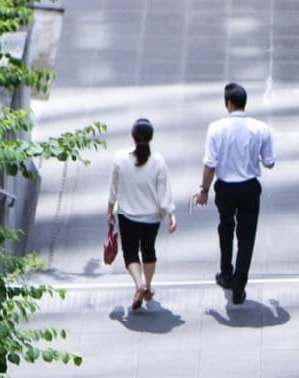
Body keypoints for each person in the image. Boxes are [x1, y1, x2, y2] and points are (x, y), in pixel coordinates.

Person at [193, 82, 275, 306]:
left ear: (227, 103)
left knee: (226, 228)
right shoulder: (260, 128)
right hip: (249, 187)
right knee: (246, 238)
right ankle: (239, 286)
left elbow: (210, 164)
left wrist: (204, 190)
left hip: (225, 188)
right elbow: (269, 163)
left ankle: (226, 273)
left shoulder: (216, 128)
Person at [107, 118, 178, 312]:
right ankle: (148, 284)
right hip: (151, 217)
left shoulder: (120, 158)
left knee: (130, 252)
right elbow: (164, 193)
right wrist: (171, 213)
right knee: (149, 250)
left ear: (133, 136)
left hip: (127, 215)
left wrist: (110, 209)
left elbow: (114, 187)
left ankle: (139, 284)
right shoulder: (158, 161)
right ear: (151, 137)